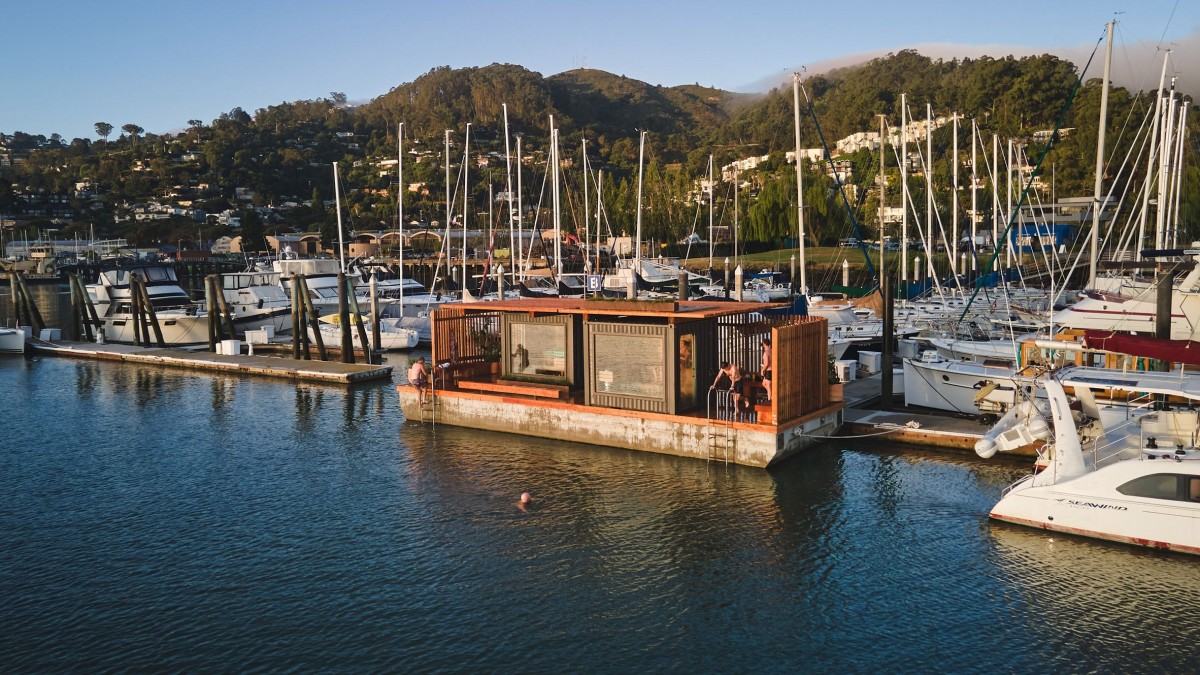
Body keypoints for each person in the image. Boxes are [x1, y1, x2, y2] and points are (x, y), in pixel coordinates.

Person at [760, 338, 773, 402]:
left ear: (764, 344)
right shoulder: (772, 350)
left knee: (769, 386)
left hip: (769, 370)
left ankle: (770, 401)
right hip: (772, 370)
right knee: (764, 383)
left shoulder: (766, 353)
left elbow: (767, 363)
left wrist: (762, 370)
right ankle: (772, 396)